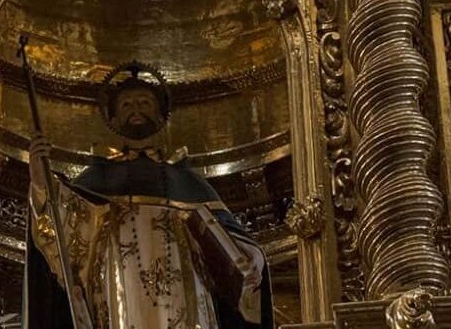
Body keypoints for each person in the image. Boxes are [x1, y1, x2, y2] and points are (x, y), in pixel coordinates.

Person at [26, 62, 270, 329]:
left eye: (144, 102)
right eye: (127, 105)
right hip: (121, 291)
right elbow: (63, 236)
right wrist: (41, 182)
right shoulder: (96, 179)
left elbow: (227, 238)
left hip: (185, 292)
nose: (136, 110)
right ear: (114, 119)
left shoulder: (187, 180)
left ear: (161, 113)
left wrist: (251, 257)